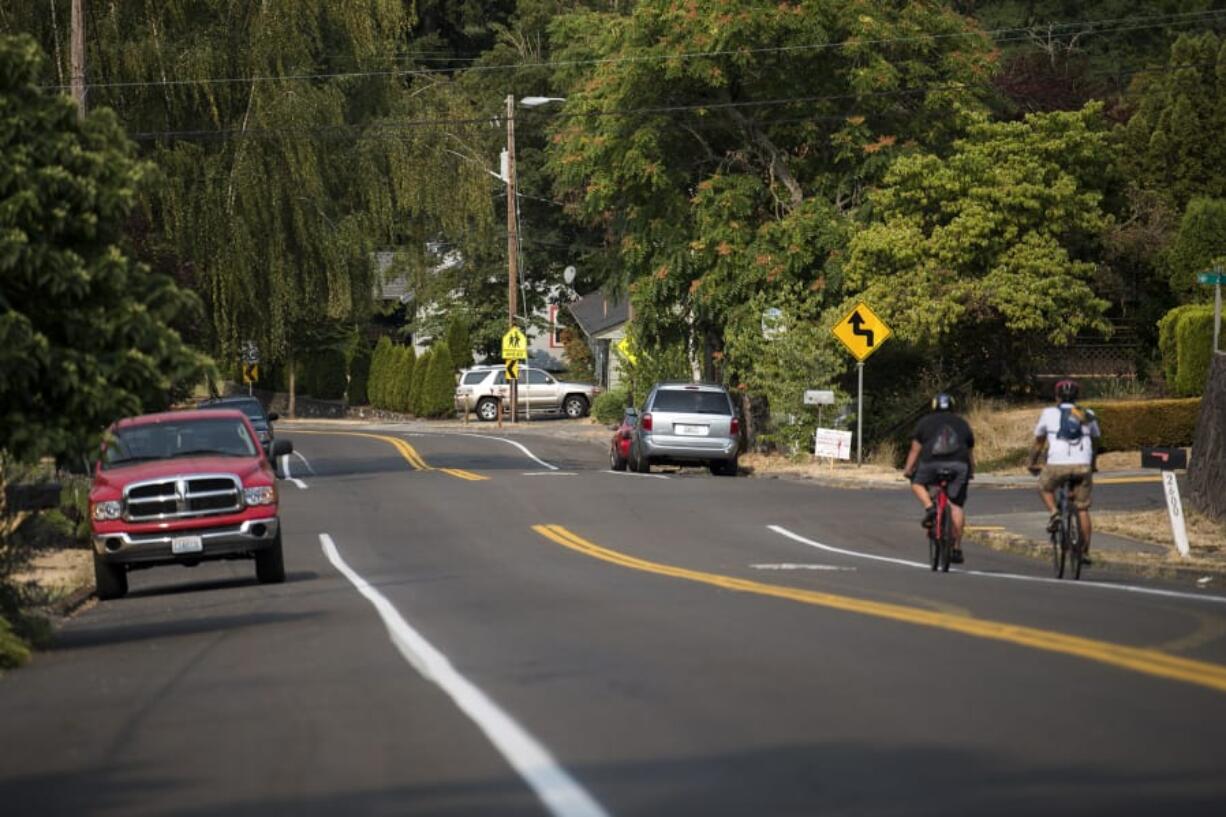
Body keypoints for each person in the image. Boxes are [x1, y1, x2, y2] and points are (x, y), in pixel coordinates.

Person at [1027, 379, 1100, 565]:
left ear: (1057, 396)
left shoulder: (1049, 413)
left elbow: (1039, 442)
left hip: (1057, 465)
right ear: (1077, 396)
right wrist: (1092, 463)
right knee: (1082, 508)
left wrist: (1032, 462)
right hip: (1083, 465)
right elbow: (1096, 441)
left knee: (1044, 486)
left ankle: (1054, 512)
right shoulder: (1088, 414)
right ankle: (1084, 552)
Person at [902, 393, 976, 564]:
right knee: (956, 505)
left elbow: (915, 450)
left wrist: (908, 469)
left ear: (934, 406)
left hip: (931, 464)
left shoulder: (925, 422)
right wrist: (971, 470)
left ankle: (930, 508)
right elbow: (969, 452)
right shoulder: (962, 423)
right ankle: (957, 548)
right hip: (959, 465)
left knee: (917, 483)